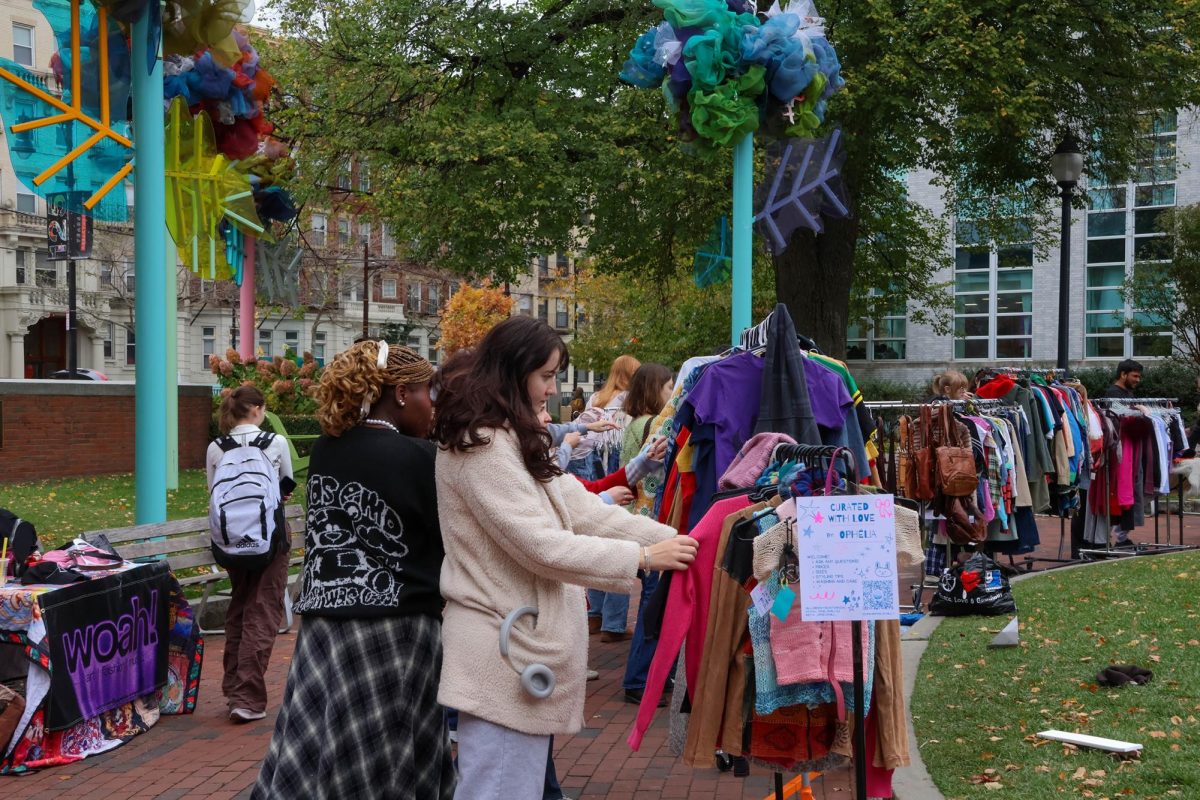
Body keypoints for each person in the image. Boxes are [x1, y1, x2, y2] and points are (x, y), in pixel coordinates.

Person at [433, 316, 697, 800]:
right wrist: (643, 555)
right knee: (500, 788)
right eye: (546, 376)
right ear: (513, 375)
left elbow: (582, 511)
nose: (552, 391)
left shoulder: (511, 439)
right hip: (502, 651)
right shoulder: (483, 448)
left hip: (516, 648)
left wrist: (677, 539)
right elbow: (540, 544)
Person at [253, 342, 454, 800]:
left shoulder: (327, 450)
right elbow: (447, 543)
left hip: (325, 631)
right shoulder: (421, 458)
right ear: (402, 394)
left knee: (327, 748)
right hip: (397, 631)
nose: (432, 405)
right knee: (395, 756)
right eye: (428, 392)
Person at [206, 385, 293, 725]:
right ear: (258, 409)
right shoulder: (276, 443)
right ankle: (248, 697)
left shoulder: (216, 447)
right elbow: (285, 486)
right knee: (264, 609)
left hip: (230, 539)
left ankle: (233, 689)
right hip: (270, 536)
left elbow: (212, 491)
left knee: (240, 607)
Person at [570, 355, 641, 637]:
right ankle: (613, 623)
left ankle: (595, 614)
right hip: (619, 475)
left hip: (592, 475)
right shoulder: (631, 402)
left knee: (596, 544)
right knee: (619, 546)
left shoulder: (596, 399)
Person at [617, 363, 674, 704]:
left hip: (631, 517)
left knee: (653, 601)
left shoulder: (631, 425)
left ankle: (649, 673)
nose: (672, 395)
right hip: (651, 522)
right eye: (668, 388)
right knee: (653, 604)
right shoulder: (656, 426)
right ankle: (639, 678)